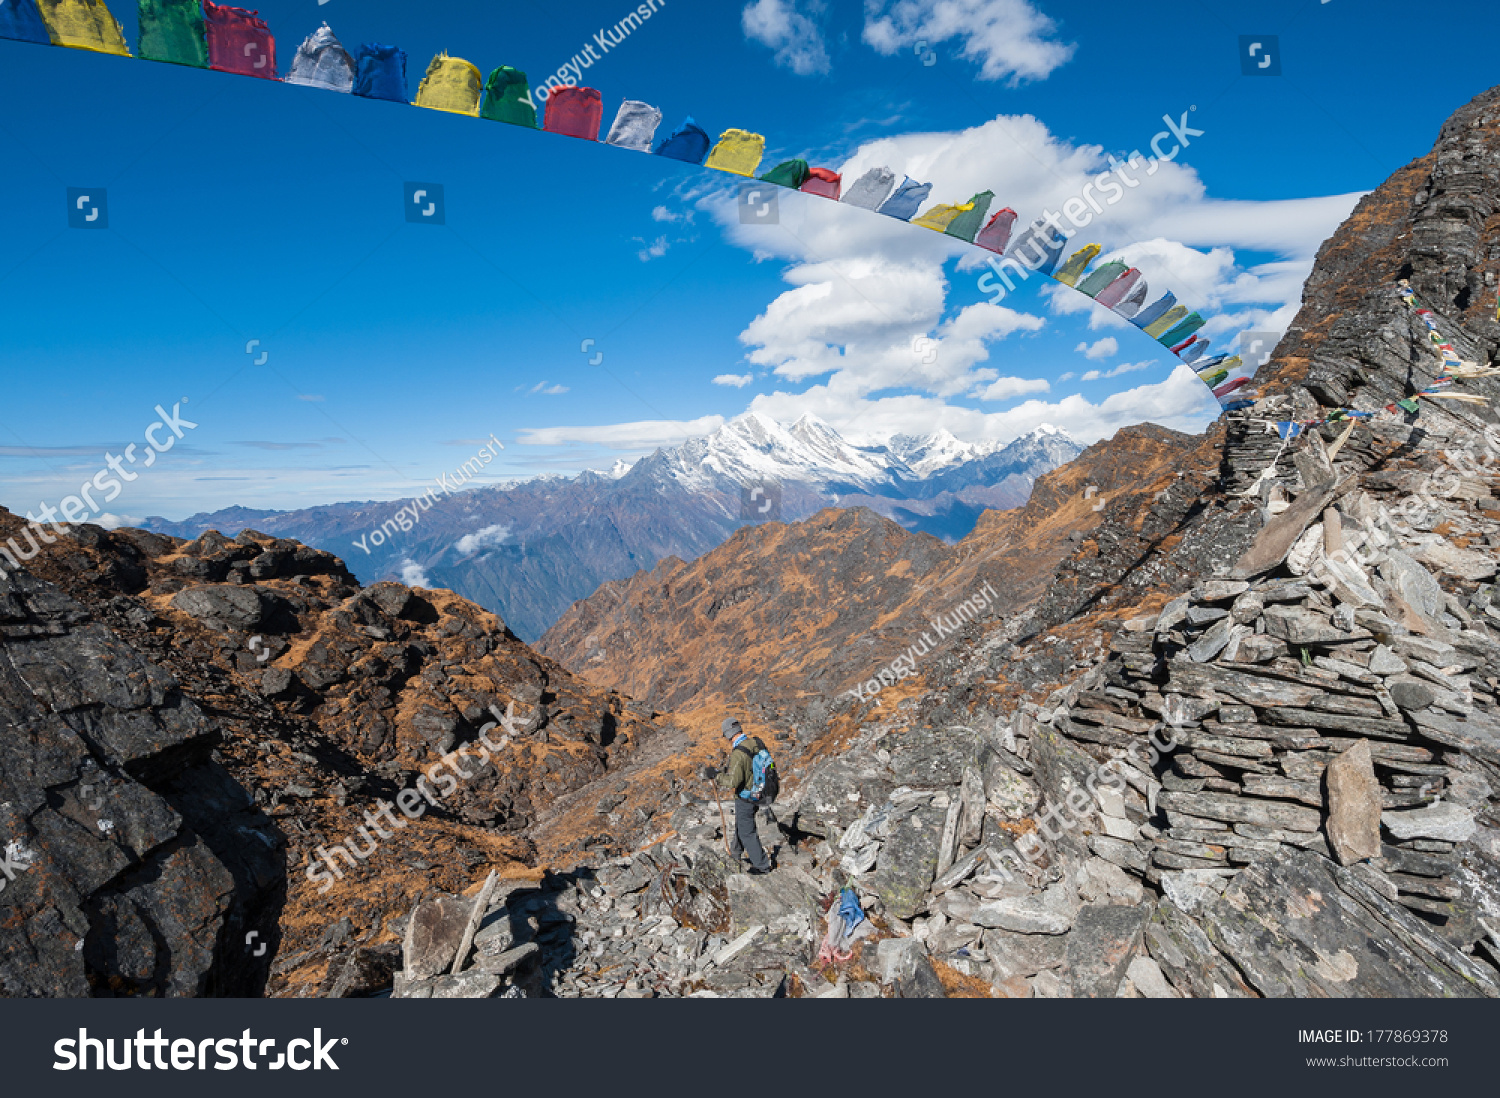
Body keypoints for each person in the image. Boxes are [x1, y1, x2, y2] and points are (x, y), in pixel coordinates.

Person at [704, 718, 773, 875]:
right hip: (760, 792)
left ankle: (762, 866)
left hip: (746, 797)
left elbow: (733, 781)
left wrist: (716, 775)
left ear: (728, 735)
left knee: (747, 831)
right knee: (742, 825)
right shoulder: (755, 743)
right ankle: (735, 853)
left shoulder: (739, 752)